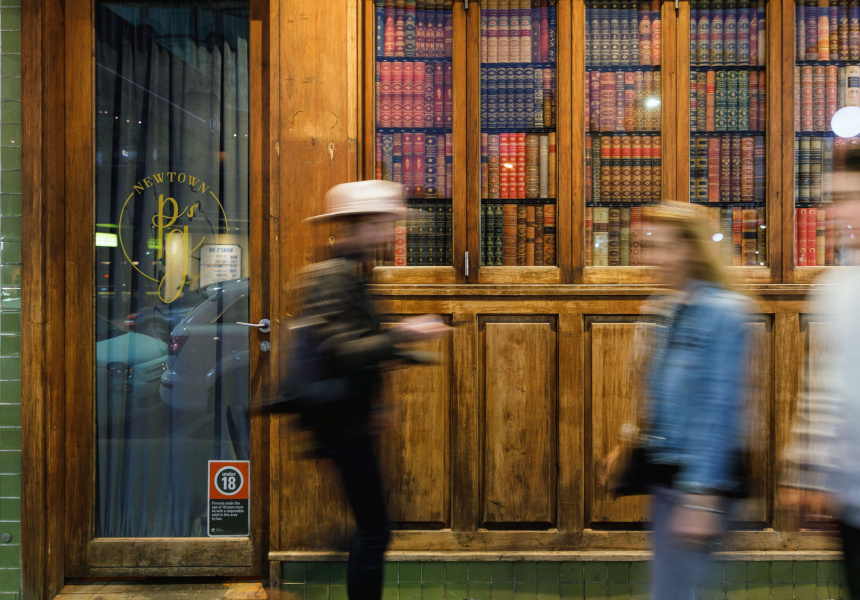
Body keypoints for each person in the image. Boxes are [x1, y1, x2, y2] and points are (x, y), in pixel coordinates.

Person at [297, 180, 450, 600]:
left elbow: (356, 344)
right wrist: (404, 334)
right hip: (341, 425)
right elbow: (345, 352)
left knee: (371, 528)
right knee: (376, 530)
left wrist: (395, 368)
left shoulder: (352, 273)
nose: (389, 233)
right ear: (359, 225)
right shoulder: (331, 277)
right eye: (383, 224)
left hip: (353, 420)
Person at [602, 202, 752, 599]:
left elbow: (719, 406)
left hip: (697, 479)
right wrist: (629, 439)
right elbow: (653, 389)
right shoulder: (664, 308)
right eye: (647, 246)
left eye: (661, 246)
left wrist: (701, 496)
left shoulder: (726, 313)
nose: (651, 258)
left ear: (690, 249)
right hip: (666, 473)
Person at [781, 146, 860, 597]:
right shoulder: (833, 289)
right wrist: (804, 470)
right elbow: (823, 389)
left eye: (852, 196)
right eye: (837, 197)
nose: (838, 210)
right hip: (850, 501)